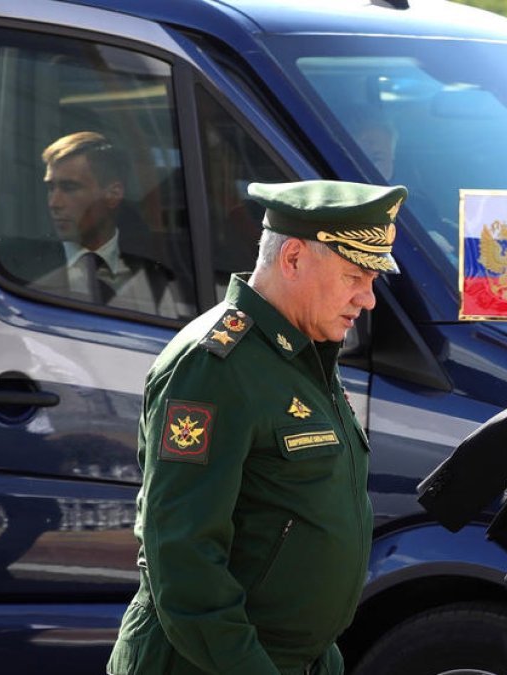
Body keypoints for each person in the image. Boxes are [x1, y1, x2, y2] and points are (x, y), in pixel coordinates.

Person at [106, 179, 407, 675]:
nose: (368, 299)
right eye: (355, 276)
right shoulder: (213, 365)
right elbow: (183, 553)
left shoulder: (302, 355)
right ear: (292, 259)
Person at [34, 131, 186, 317]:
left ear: (113, 194)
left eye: (69, 188)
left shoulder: (155, 274)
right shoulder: (21, 271)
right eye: (50, 188)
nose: (54, 203)